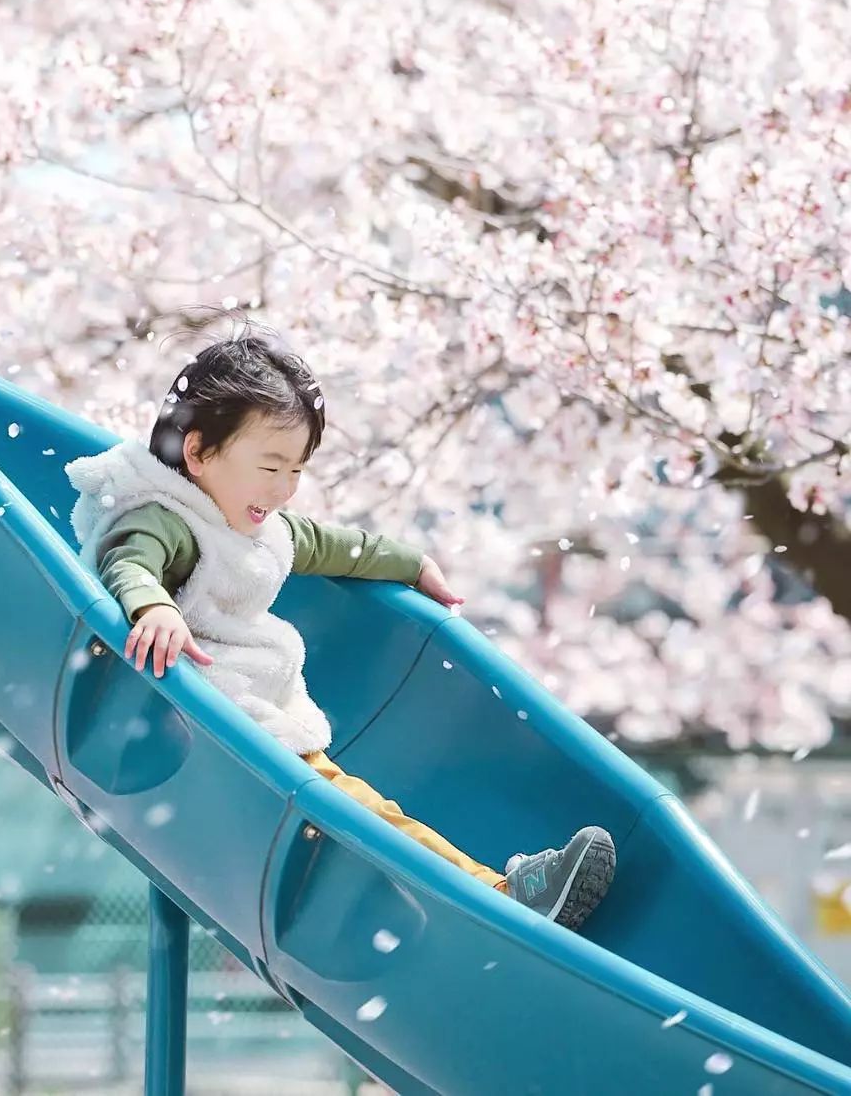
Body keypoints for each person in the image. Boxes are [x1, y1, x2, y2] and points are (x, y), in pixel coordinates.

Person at [64, 322, 616, 932]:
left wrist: (410, 564)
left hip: (249, 723)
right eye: (269, 466)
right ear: (198, 453)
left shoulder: (247, 520)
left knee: (367, 811)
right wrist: (155, 608)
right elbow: (128, 558)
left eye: (296, 470)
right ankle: (502, 896)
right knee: (366, 815)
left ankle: (496, 895)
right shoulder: (168, 518)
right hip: (222, 736)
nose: (282, 489)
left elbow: (331, 545)